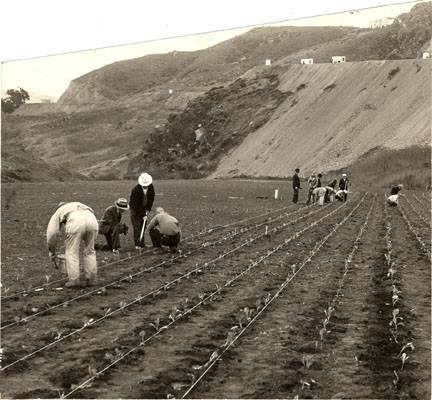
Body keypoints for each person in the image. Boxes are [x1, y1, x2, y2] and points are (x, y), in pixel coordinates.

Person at [46, 202, 98, 287]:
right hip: (92, 221)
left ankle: (74, 280)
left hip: (75, 222)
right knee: (90, 251)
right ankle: (91, 279)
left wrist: (51, 250)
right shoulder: (78, 204)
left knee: (71, 252)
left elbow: (52, 233)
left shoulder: (58, 212)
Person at [129, 172, 155, 249]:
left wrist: (147, 209)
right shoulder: (135, 190)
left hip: (144, 209)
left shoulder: (151, 187)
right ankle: (138, 245)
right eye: (144, 185)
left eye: (147, 185)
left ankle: (142, 244)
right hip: (135, 210)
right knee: (137, 227)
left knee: (143, 225)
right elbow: (135, 205)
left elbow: (151, 199)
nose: (145, 186)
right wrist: (143, 214)